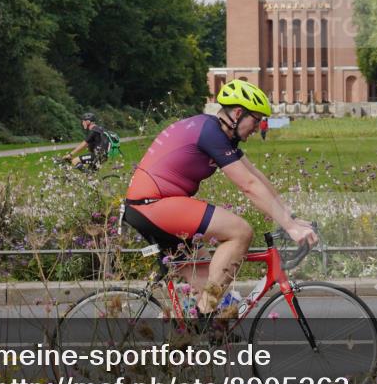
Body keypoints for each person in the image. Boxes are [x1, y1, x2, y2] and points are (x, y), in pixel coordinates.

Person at [122, 79, 317, 322]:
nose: (257, 127)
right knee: (240, 231)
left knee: (212, 287)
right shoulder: (210, 133)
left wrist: (291, 216)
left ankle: (192, 342)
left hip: (151, 208)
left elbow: (255, 175)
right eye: (255, 120)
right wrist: (289, 227)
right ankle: (206, 320)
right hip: (153, 205)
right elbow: (248, 186)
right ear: (237, 113)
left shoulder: (217, 133)